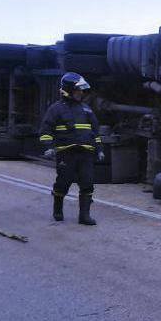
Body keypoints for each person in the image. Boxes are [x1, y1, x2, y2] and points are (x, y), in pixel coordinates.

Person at [39, 72, 102, 226]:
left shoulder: (86, 109)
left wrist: (99, 149)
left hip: (86, 153)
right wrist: (48, 147)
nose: (81, 93)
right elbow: (45, 131)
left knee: (87, 182)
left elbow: (95, 132)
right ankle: (58, 209)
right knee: (63, 183)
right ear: (68, 90)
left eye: (82, 90)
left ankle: (84, 216)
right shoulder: (56, 109)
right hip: (66, 154)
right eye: (78, 90)